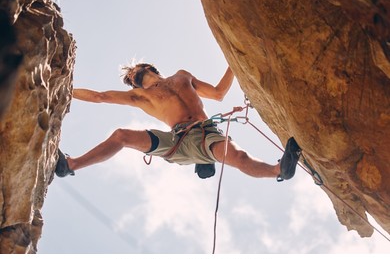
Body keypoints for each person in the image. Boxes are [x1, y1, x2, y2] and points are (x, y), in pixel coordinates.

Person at [55, 62, 300, 180]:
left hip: (207, 132)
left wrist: (233, 63)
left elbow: (217, 93)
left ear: (147, 67)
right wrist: (65, 88)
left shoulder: (182, 76)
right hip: (178, 140)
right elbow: (100, 97)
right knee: (122, 135)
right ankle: (71, 164)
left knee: (238, 157)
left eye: (132, 72)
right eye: (130, 78)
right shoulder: (140, 95)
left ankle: (279, 170)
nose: (131, 75)